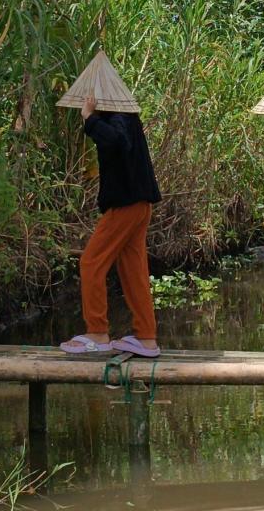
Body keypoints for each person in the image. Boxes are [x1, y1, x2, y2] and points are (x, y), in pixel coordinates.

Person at [59, 93, 163, 357]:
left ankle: (97, 333)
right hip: (140, 204)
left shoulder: (117, 116)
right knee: (133, 269)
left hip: (126, 205)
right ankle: (146, 337)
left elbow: (116, 140)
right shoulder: (126, 114)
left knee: (91, 262)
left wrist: (89, 119)